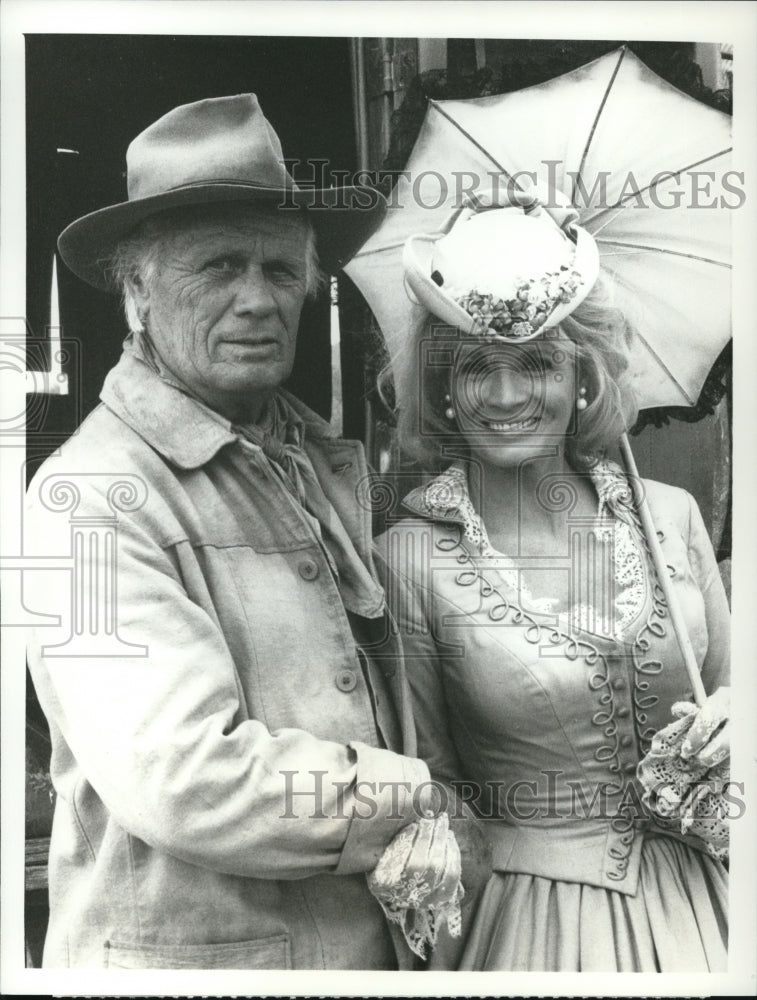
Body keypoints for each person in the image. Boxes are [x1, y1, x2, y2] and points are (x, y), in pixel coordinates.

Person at [24, 94, 478, 970]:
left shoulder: (311, 460)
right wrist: (412, 795)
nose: (257, 300)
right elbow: (185, 780)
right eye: (219, 266)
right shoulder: (90, 498)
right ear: (136, 291)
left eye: (279, 271)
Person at [374, 189, 731, 972]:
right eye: (475, 368)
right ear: (441, 385)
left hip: (716, 902)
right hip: (536, 926)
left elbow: (730, 689)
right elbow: (426, 781)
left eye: (536, 362)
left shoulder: (668, 516)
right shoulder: (409, 556)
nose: (504, 398)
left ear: (584, 376)